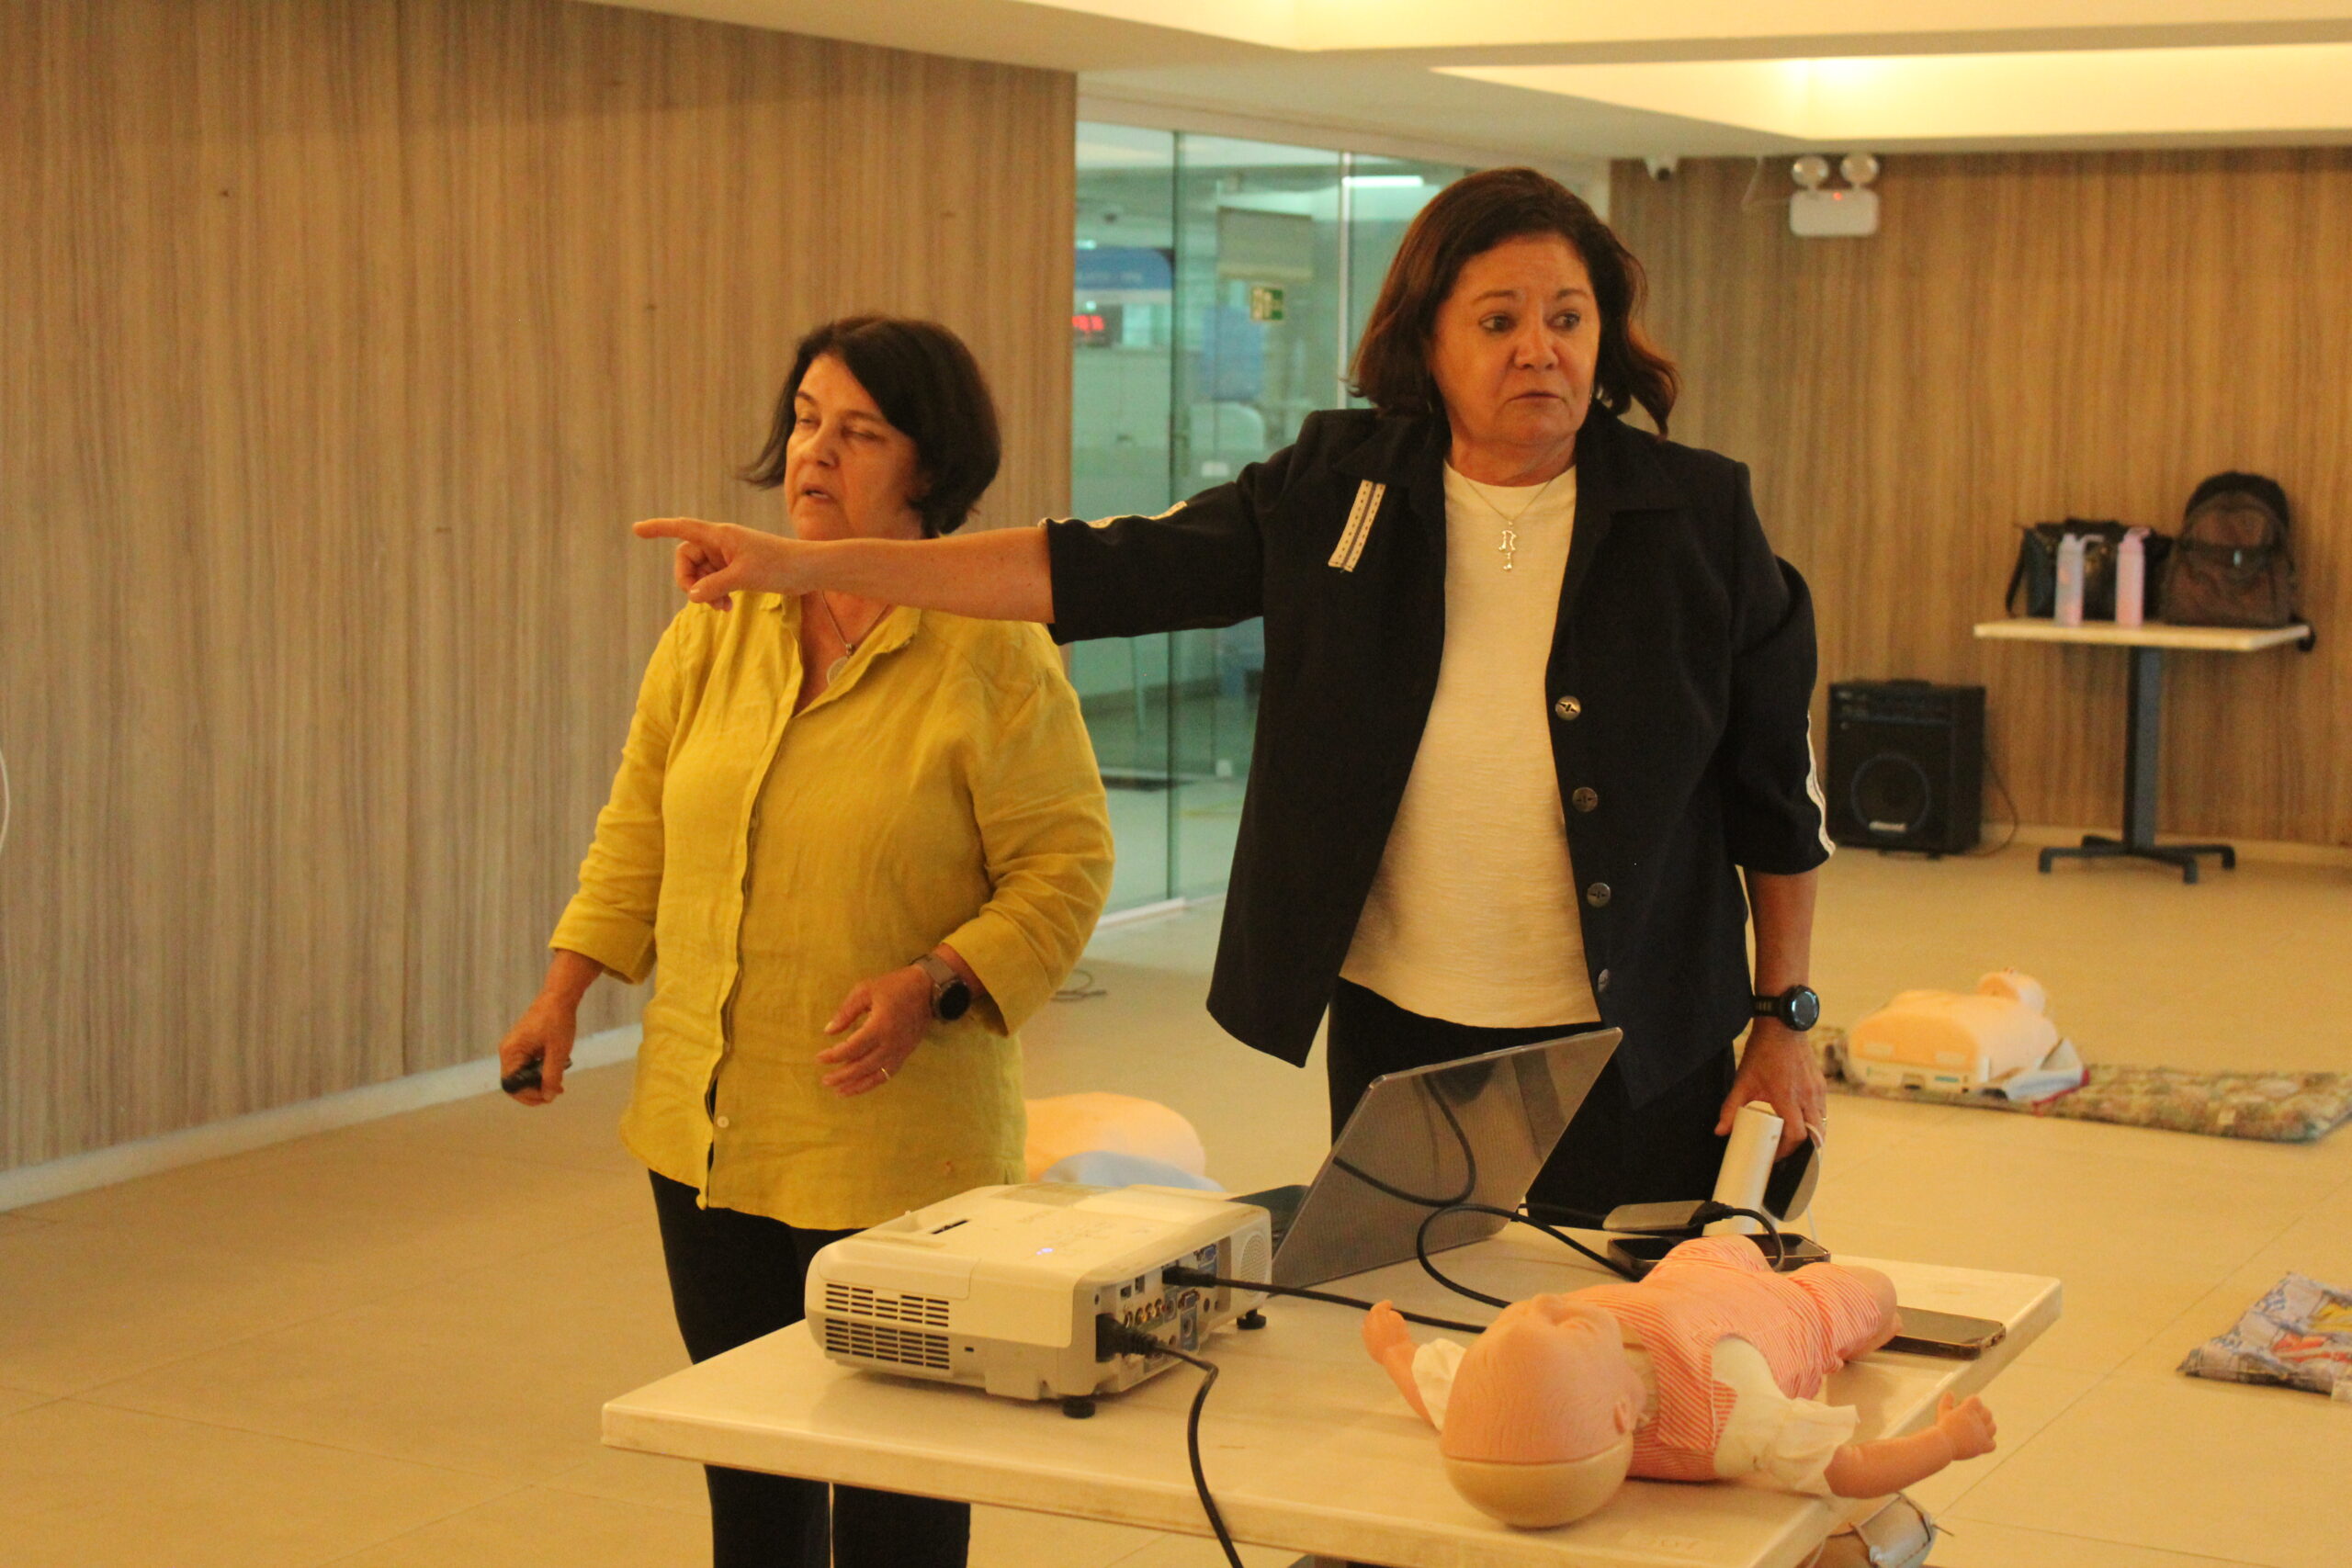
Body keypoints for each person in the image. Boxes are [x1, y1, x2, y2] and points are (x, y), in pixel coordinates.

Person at [633, 168, 1833, 1222]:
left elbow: (1774, 795)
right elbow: (1086, 569)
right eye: (1499, 320)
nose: (1540, 349)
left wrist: (1784, 1020)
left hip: (1640, 1030)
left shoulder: (1695, 517)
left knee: (1638, 1336)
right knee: (1416, 1323)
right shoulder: (1341, 487)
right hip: (1404, 1024)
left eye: (1568, 317)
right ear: (1428, 343)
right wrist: (809, 565)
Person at [499, 315, 1114, 1568]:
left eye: (860, 432)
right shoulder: (718, 627)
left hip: (898, 1151)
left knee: (898, 1495)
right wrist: (563, 991)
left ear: (929, 468)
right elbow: (638, 828)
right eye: (805, 420)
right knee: (752, 1480)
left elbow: (1066, 866)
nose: (815, 453)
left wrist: (937, 982)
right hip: (710, 1136)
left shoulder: (995, 651)